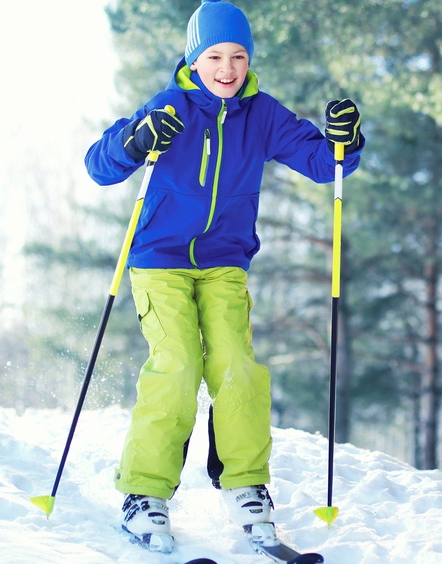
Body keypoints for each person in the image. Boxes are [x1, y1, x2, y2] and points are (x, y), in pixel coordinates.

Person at [84, 0, 363, 550]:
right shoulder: (170, 107)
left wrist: (343, 141)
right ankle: (144, 494)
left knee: (237, 365)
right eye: (215, 55)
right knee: (179, 364)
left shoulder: (261, 114)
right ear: (195, 58)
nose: (228, 68)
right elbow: (100, 163)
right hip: (158, 261)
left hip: (224, 263)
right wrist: (136, 141)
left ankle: (246, 486)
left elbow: (321, 160)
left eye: (238, 55)